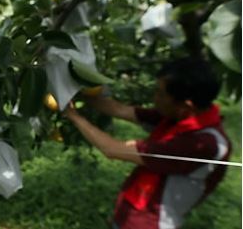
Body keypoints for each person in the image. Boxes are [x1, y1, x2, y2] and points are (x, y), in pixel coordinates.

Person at [63, 57, 232, 229]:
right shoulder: (180, 117)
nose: (155, 98)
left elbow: (112, 150)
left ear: (186, 105)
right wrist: (75, 90)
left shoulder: (202, 145)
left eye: (160, 93)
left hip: (149, 223)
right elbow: (119, 109)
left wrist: (73, 116)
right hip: (131, 214)